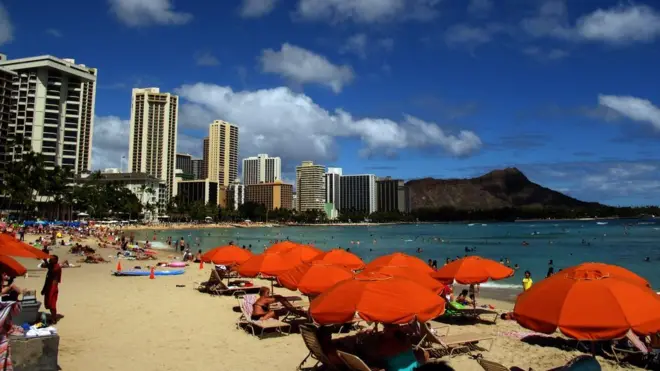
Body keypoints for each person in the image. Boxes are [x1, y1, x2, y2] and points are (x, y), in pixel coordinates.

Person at [41, 255, 62, 324]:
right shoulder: (51, 266)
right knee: (48, 303)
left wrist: (45, 261)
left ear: (56, 260)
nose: (50, 260)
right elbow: (47, 279)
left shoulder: (57, 267)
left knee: (52, 303)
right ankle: (53, 317)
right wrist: (44, 289)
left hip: (53, 287)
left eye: (52, 259)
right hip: (48, 286)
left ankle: (54, 318)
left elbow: (52, 270)